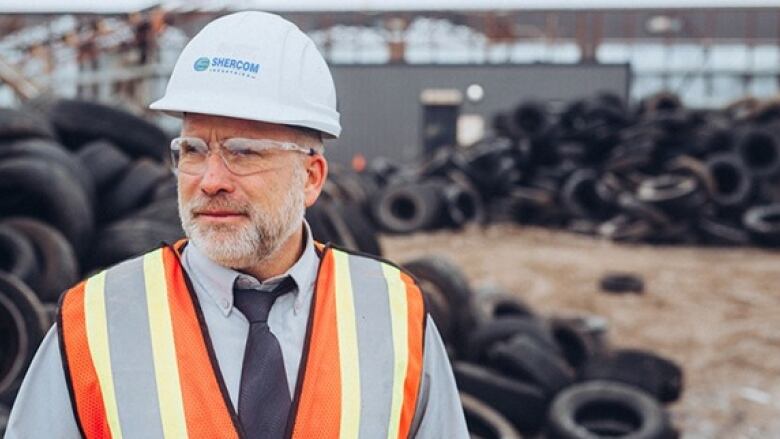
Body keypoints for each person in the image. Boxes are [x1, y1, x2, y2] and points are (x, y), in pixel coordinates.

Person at [5, 11, 468, 439]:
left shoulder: (394, 315)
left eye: (244, 152)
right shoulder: (94, 321)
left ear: (311, 178)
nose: (209, 181)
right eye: (193, 150)